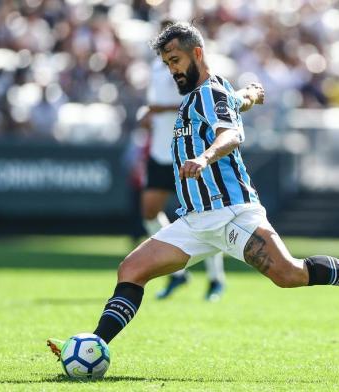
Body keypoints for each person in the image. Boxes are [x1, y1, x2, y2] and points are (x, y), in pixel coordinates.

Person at [47, 22, 339, 360]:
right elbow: (235, 101)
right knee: (131, 270)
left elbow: (231, 134)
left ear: (197, 53)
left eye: (175, 60)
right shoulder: (204, 94)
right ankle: (93, 348)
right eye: (167, 63)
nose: (172, 70)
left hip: (232, 212)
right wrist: (249, 95)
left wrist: (204, 157)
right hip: (195, 221)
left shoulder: (209, 92)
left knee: (289, 274)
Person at [141, 19, 226, 301]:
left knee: (202, 215)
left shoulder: (192, 68)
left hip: (189, 148)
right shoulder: (158, 67)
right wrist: (149, 114)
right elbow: (156, 102)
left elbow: (198, 99)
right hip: (161, 149)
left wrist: (159, 109)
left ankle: (215, 279)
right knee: (150, 210)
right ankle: (178, 271)